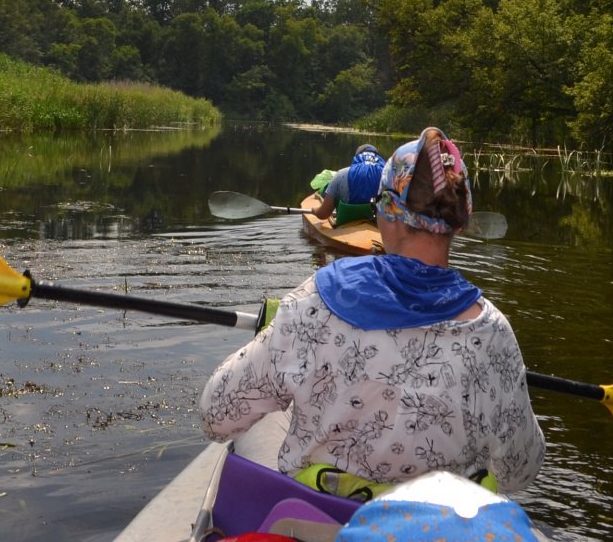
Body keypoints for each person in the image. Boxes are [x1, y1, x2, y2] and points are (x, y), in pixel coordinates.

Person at [199, 128, 546, 499]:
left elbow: (216, 416)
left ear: (385, 210)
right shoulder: (492, 331)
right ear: (461, 220)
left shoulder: (316, 300)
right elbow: (519, 471)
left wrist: (279, 337)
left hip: (324, 524)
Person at [313, 142, 385, 226]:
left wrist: (314, 210)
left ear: (357, 157)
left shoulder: (340, 175)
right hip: (377, 225)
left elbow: (323, 214)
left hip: (345, 225)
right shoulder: (389, 176)